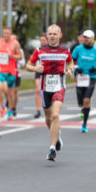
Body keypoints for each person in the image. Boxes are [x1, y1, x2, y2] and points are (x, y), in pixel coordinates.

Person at [25, 24, 73, 161]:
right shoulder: (40, 50)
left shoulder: (65, 50)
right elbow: (28, 65)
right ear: (47, 36)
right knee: (48, 118)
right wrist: (36, 69)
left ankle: (52, 148)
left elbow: (70, 63)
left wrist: (70, 70)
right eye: (50, 34)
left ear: (60, 35)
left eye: (54, 34)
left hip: (59, 86)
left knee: (55, 115)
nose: (52, 36)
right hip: (44, 87)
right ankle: (56, 136)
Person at [72, 30, 96, 133]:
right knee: (80, 103)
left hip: (91, 77)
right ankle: (83, 108)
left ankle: (84, 123)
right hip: (80, 77)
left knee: (87, 100)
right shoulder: (78, 49)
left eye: (88, 38)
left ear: (93, 39)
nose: (86, 39)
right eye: (85, 37)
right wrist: (76, 68)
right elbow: (70, 60)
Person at [0, 27, 22, 120]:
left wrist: (12, 55)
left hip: (11, 72)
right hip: (0, 70)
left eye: (7, 33)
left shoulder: (15, 43)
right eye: (4, 33)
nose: (6, 35)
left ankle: (10, 110)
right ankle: (2, 107)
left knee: (10, 93)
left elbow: (20, 57)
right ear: (2, 33)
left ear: (10, 33)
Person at [33, 34, 48, 118]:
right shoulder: (38, 50)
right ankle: (38, 110)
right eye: (41, 40)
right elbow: (32, 61)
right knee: (37, 90)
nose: (42, 42)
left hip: (48, 72)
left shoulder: (50, 49)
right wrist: (34, 67)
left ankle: (47, 107)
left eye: (43, 40)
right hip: (39, 71)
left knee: (46, 90)